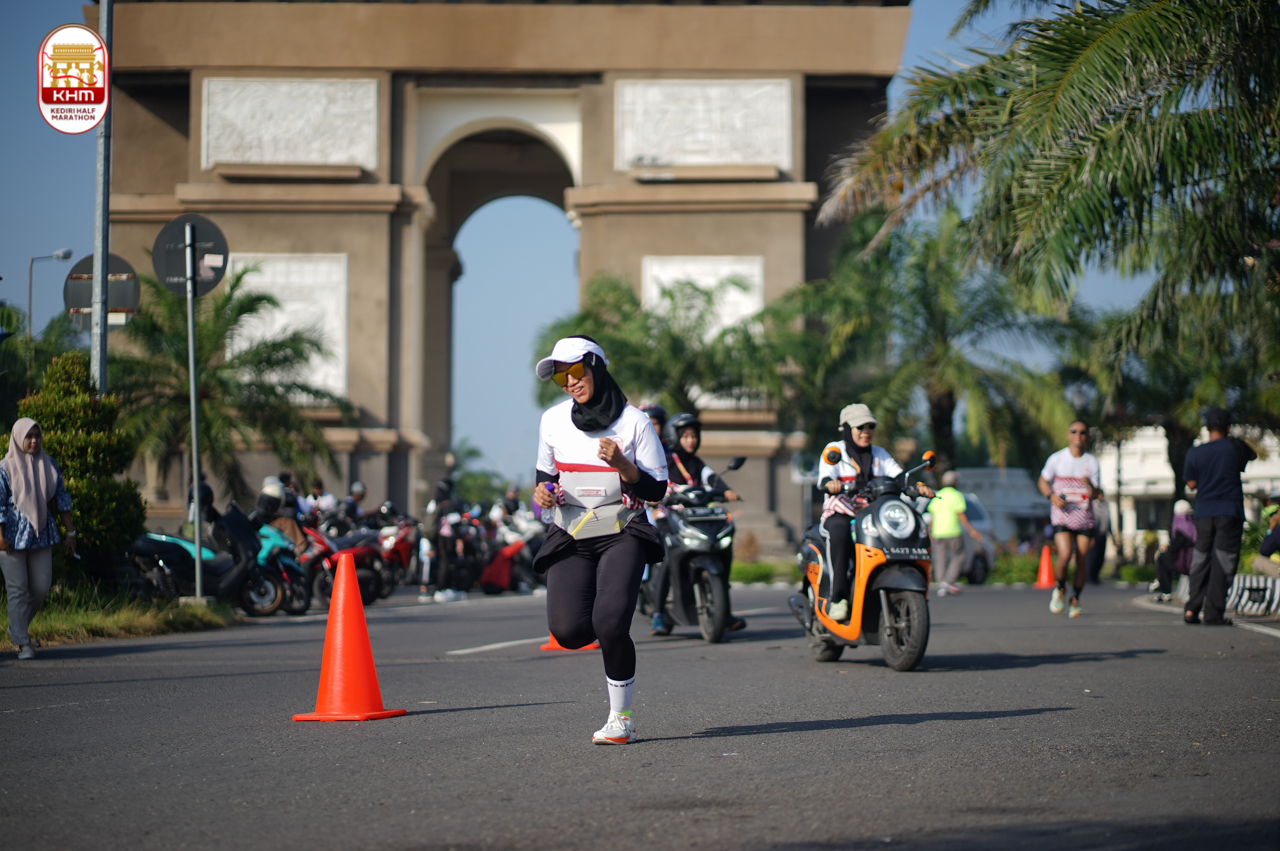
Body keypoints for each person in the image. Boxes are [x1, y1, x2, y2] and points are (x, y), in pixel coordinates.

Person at [531, 335, 667, 745]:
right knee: (569, 631)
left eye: (575, 371)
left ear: (597, 366)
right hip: (572, 531)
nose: (570, 382)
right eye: (561, 377)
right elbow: (545, 477)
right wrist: (543, 493)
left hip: (622, 530)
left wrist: (624, 465)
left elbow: (657, 490)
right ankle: (611, 627)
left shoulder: (635, 423)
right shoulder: (552, 421)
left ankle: (620, 718)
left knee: (609, 622)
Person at [818, 403, 933, 623]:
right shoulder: (834, 451)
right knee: (839, 531)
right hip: (842, 511)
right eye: (860, 427)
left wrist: (918, 486)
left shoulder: (879, 453)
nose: (866, 431)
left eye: (870, 426)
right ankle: (838, 598)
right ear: (846, 429)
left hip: (874, 515)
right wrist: (830, 484)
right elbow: (825, 477)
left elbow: (900, 477)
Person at [648, 413, 745, 636]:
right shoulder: (665, 460)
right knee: (667, 559)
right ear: (675, 436)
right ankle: (658, 614)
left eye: (694, 436)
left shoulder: (696, 462)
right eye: (686, 436)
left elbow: (712, 478)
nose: (691, 440)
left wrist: (726, 491)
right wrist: (657, 496)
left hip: (696, 517)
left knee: (723, 548)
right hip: (668, 518)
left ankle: (724, 612)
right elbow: (656, 482)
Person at [0, 419, 75, 660]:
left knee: (41, 587)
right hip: (10, 538)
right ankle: (23, 642)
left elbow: (62, 499)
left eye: (37, 435)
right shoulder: (4, 468)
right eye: (28, 436)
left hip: (40, 533)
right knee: (17, 589)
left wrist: (70, 533)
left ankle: (17, 627)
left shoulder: (49, 465)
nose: (34, 440)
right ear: (17, 438)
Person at [1183, 409, 1256, 625]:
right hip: (1229, 511)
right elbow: (1252, 455)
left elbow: (1191, 484)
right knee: (1223, 561)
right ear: (1228, 428)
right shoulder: (1235, 446)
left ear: (1207, 428)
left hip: (1204, 512)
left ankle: (1191, 609)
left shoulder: (1195, 452)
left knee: (1201, 560)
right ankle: (1213, 613)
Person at [1038, 419, 1102, 618]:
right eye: (1074, 431)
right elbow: (1042, 481)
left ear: (1087, 436)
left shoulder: (1091, 462)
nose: (1078, 436)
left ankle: (1075, 599)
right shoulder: (1057, 459)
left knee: (1082, 559)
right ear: (1068, 434)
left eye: (1082, 432)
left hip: (1083, 516)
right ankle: (1060, 588)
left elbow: (1096, 494)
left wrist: (1090, 485)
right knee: (1065, 555)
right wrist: (1051, 497)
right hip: (1062, 515)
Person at [927, 470, 982, 597]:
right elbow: (960, 514)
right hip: (952, 531)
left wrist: (930, 531)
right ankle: (948, 581)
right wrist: (971, 530)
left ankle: (941, 583)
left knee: (941, 558)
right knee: (959, 555)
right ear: (955, 482)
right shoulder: (956, 495)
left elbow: (932, 516)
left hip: (938, 532)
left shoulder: (938, 494)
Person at [1152, 500, 1196, 601]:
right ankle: (1161, 585)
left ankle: (1164, 588)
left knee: (1162, 558)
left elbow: (1175, 548)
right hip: (1195, 560)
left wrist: (1165, 551)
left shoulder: (1181, 529)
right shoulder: (1193, 526)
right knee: (1165, 558)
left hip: (1185, 563)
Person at [1086, 496, 1111, 584]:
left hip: (1102, 533)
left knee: (1100, 556)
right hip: (1095, 533)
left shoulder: (1105, 505)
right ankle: (1090, 577)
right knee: (1093, 556)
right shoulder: (1093, 505)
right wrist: (1091, 535)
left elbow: (1108, 520)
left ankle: (1096, 576)